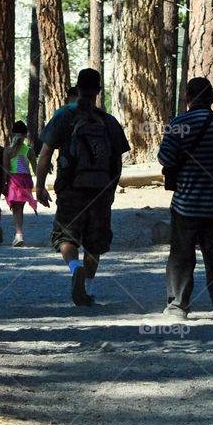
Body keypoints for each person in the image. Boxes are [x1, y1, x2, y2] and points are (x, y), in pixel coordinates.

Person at [36, 69, 130, 306]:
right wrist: (110, 190)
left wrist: (40, 187)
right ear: (99, 90)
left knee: (66, 236)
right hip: (100, 190)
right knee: (95, 241)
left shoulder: (64, 117)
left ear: (77, 88)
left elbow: (45, 153)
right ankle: (87, 288)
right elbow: (117, 162)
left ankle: (74, 267)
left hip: (71, 189)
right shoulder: (108, 121)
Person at [158, 77, 213, 326]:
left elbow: (165, 159)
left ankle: (178, 305)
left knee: (181, 256)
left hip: (187, 205)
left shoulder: (179, 124)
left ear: (187, 97)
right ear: (212, 98)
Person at [3, 120, 39, 247]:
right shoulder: (29, 150)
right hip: (26, 180)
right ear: (25, 135)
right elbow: (35, 168)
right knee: (21, 208)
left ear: (13, 135)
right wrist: (41, 182)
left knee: (15, 209)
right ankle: (19, 234)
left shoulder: (8, 150)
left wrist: (4, 184)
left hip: (14, 181)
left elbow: (6, 169)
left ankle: (18, 235)